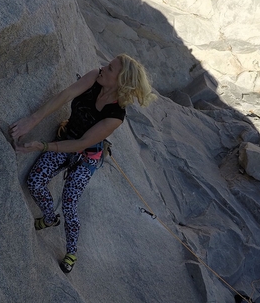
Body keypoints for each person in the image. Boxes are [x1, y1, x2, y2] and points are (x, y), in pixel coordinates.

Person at [9, 53, 156, 273]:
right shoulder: (94, 77)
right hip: (67, 138)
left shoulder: (115, 115)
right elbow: (65, 95)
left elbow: (83, 144)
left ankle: (71, 251)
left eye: (110, 69)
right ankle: (49, 218)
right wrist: (33, 119)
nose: (103, 68)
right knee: (35, 181)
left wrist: (43, 146)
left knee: (69, 202)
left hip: (87, 156)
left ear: (120, 82)